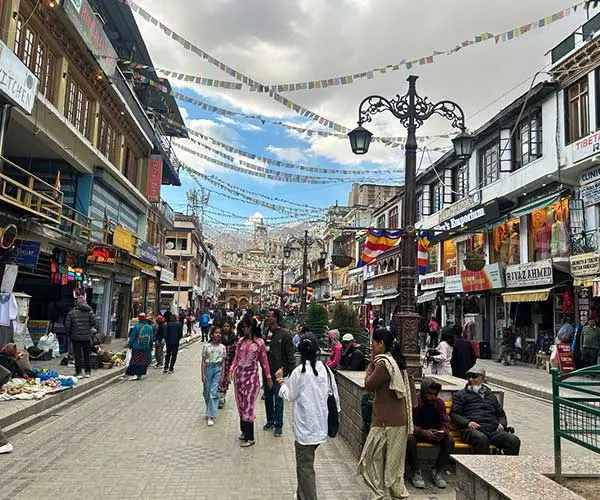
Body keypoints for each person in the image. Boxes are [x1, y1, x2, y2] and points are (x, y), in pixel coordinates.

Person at [277, 332, 340, 500]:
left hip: (305, 429)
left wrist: (281, 383)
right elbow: (336, 398)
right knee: (304, 464)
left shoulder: (299, 372)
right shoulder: (325, 370)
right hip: (321, 428)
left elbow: (289, 395)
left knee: (305, 467)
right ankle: (301, 494)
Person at [358, 328, 415, 499]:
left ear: (381, 344)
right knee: (394, 462)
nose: (372, 347)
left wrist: (370, 365)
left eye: (373, 343)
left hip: (386, 421)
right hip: (399, 420)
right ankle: (396, 493)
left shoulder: (383, 364)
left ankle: (379, 492)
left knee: (372, 458)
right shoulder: (397, 361)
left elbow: (369, 385)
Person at [451, 365, 521, 455]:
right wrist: (468, 423)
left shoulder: (491, 396)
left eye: (474, 376)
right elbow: (454, 414)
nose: (471, 379)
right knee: (481, 439)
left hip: (492, 430)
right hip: (473, 430)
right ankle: (481, 468)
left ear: (482, 379)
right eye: (469, 376)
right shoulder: (460, 395)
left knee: (513, 440)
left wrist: (502, 424)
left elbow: (501, 414)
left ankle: (507, 467)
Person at [229, 316, 271, 447]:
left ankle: (250, 437)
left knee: (248, 405)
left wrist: (268, 378)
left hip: (251, 378)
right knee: (241, 404)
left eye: (246, 327)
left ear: (252, 328)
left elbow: (264, 362)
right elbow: (236, 358)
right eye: (242, 327)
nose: (243, 329)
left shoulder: (259, 343)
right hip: (239, 377)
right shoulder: (241, 341)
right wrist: (231, 369)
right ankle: (244, 431)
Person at [406, 379, 454, 489]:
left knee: (449, 441)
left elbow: (445, 422)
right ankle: (416, 472)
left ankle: (437, 471)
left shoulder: (439, 403)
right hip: (417, 433)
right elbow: (408, 423)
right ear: (423, 392)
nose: (432, 397)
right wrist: (422, 431)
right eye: (429, 393)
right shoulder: (415, 402)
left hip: (434, 433)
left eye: (435, 394)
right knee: (409, 440)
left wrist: (442, 432)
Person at [263, 308, 296, 437]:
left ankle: (278, 425)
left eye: (270, 316)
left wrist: (287, 370)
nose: (268, 318)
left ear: (276, 318)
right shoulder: (266, 332)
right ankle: (270, 420)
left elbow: (290, 354)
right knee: (268, 397)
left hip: (279, 373)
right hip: (267, 372)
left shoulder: (285, 334)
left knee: (278, 398)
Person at [65, 295, 96, 379]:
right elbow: (94, 322)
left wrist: (69, 335)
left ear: (77, 303)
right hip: (86, 337)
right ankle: (87, 371)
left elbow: (67, 326)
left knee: (77, 355)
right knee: (87, 355)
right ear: (85, 302)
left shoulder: (71, 313)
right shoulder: (89, 311)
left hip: (75, 337)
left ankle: (78, 372)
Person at [202, 326, 226, 426]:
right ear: (212, 334)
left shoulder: (223, 347)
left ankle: (212, 415)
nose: (218, 334)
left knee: (213, 392)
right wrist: (202, 374)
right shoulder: (206, 347)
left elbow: (224, 362)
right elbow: (203, 361)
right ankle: (209, 410)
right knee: (206, 392)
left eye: (219, 333)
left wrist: (222, 374)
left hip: (217, 369)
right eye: (216, 333)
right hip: (208, 368)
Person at [126, 313, 155, 381]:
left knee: (136, 360)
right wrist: (150, 346)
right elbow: (151, 338)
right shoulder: (149, 327)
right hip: (145, 347)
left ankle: (135, 374)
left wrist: (130, 345)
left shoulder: (136, 327)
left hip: (137, 347)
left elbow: (132, 337)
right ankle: (140, 374)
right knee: (143, 361)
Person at [218, 321, 237, 408]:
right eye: (224, 326)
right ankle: (218, 396)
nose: (226, 328)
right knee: (218, 380)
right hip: (218, 363)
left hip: (229, 363)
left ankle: (222, 396)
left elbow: (236, 352)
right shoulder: (218, 337)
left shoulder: (233, 337)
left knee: (225, 380)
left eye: (227, 326)